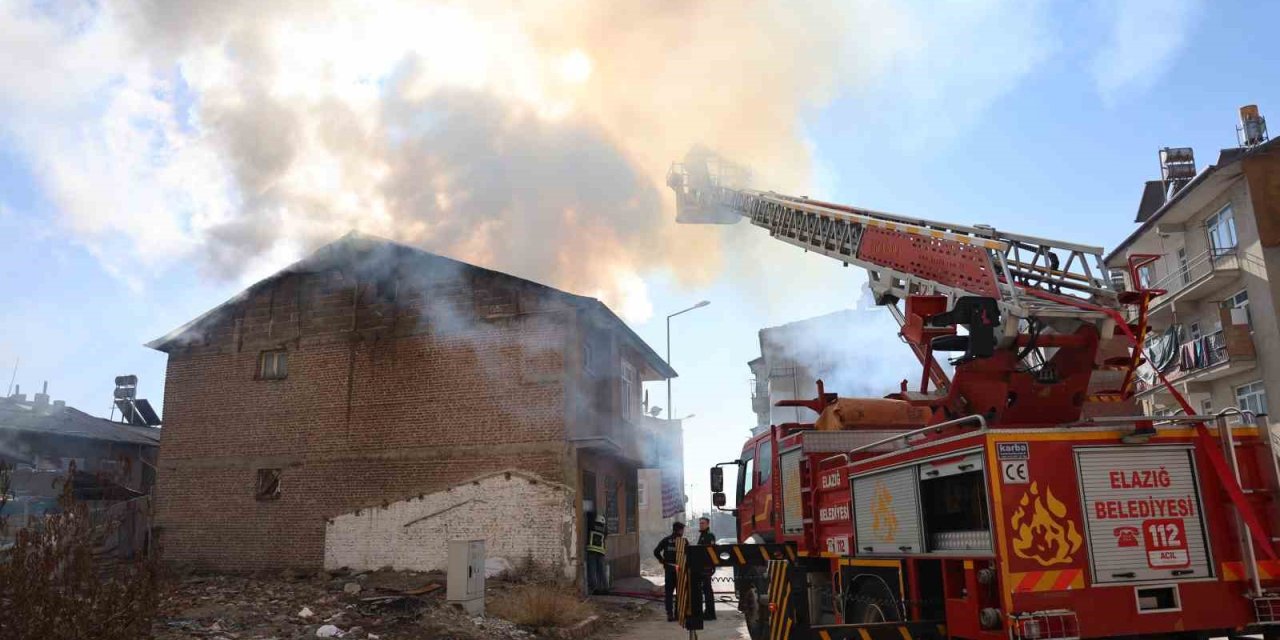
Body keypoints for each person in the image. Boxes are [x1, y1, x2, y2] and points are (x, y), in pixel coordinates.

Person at [653, 521, 686, 622]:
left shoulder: (666, 540)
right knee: (680, 592)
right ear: (680, 530)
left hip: (669, 569)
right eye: (682, 530)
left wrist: (662, 561)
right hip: (679, 570)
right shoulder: (683, 541)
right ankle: (677, 614)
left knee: (669, 593)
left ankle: (669, 614)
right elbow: (689, 554)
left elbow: (656, 551)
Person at [696, 517, 717, 620]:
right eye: (700, 523)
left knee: (708, 590)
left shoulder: (709, 536)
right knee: (705, 590)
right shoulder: (702, 536)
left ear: (708, 524)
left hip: (706, 567)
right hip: (701, 567)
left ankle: (710, 613)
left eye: (703, 523)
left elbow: (711, 552)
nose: (701, 525)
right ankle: (707, 612)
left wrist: (712, 566)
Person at [586, 513, 608, 594]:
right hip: (601, 553)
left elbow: (589, 523)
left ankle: (594, 589)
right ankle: (605, 588)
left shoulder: (592, 527)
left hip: (592, 551)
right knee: (602, 571)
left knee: (592, 570)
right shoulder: (604, 530)